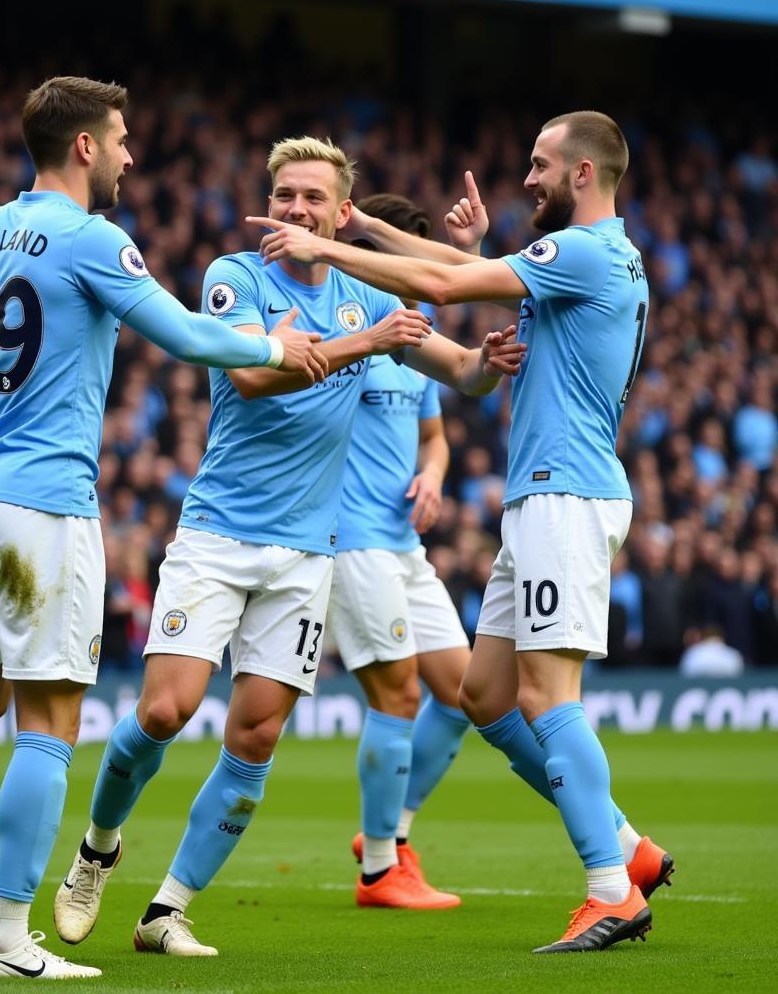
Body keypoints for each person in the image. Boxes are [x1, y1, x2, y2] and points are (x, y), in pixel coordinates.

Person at [0, 75, 327, 981]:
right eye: (119, 139)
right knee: (48, 726)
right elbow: (194, 340)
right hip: (45, 507)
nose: (129, 155)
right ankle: (4, 939)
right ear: (84, 146)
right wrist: (279, 347)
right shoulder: (93, 240)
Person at [52, 137, 524, 957]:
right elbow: (254, 375)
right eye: (283, 195)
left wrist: (485, 363)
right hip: (218, 537)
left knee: (257, 737)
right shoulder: (233, 276)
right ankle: (98, 846)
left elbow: (458, 372)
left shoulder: (365, 291)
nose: (294, 210)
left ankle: (167, 911)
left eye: (312, 198)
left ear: (343, 213)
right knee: (164, 710)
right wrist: (366, 345)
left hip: (309, 555)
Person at [249, 112, 673, 953]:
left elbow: (444, 290)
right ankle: (626, 847)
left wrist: (326, 249)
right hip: (546, 499)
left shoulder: (586, 253)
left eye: (540, 166)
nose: (526, 180)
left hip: (566, 497)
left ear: (583, 173)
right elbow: (459, 270)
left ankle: (608, 887)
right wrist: (364, 223)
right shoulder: (604, 257)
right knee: (484, 696)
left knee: (551, 699)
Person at [327, 194, 471, 910]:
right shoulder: (347, 326)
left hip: (404, 542)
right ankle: (380, 872)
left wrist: (434, 476)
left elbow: (435, 435)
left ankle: (392, 832)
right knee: (400, 694)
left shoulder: (418, 340)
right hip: (350, 541)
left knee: (469, 692)